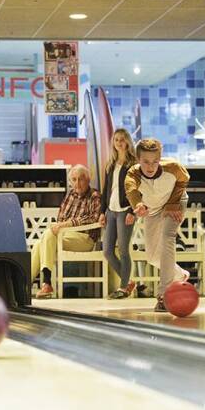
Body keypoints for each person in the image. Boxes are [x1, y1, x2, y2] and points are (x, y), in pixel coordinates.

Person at [125, 138, 190, 312]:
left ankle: (164, 295)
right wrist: (137, 206)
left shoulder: (173, 167)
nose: (150, 166)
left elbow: (184, 180)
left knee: (167, 236)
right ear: (138, 160)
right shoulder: (133, 174)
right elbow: (131, 191)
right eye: (145, 161)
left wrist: (173, 204)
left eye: (155, 161)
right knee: (152, 256)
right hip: (152, 209)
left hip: (174, 203)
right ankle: (180, 275)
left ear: (160, 158)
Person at [31, 164, 101, 299]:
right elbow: (60, 218)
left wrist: (67, 224)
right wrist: (62, 225)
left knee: (47, 236)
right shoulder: (70, 195)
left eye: (81, 179)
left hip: (85, 239)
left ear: (88, 179)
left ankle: (35, 282)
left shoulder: (94, 195)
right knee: (41, 243)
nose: (77, 183)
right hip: (66, 236)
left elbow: (94, 218)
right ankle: (42, 283)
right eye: (74, 179)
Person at [99, 128, 137, 299]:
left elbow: (138, 191)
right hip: (111, 211)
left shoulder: (134, 165)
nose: (119, 143)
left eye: (122, 139)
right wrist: (102, 212)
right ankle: (128, 282)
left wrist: (132, 211)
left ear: (128, 141)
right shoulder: (111, 164)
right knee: (107, 250)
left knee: (123, 250)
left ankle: (123, 287)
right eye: (116, 140)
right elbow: (106, 190)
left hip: (125, 211)